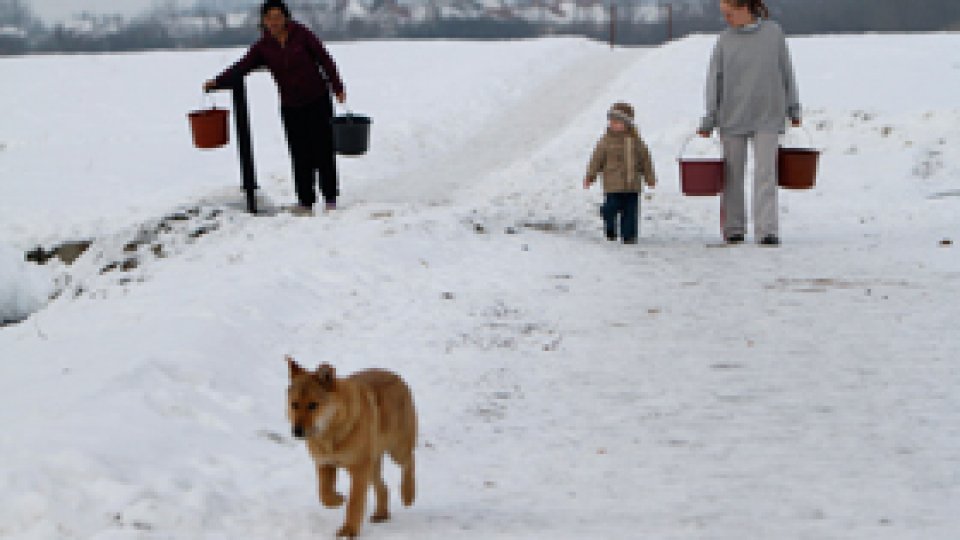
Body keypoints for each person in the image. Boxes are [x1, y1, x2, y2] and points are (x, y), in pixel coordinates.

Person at [204, 0, 346, 216]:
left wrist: (337, 87)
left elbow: (325, 59)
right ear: (263, 21)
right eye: (269, 17)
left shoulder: (302, 34)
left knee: (323, 149)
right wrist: (218, 81)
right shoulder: (263, 47)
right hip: (291, 105)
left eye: (278, 16)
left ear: (286, 18)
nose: (274, 22)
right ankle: (306, 202)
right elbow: (243, 66)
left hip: (317, 99)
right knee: (299, 153)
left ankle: (330, 199)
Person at [698, 0, 801, 246]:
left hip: (768, 114)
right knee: (733, 175)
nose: (726, 19)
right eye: (724, 14)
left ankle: (767, 230)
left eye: (729, 13)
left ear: (745, 8)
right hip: (732, 116)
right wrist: (709, 117)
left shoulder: (773, 33)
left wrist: (793, 107)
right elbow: (714, 80)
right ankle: (734, 228)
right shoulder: (724, 40)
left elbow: (787, 71)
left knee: (766, 173)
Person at [584, 102, 657, 244]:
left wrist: (649, 177)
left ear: (627, 123)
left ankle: (629, 235)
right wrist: (590, 176)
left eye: (617, 122)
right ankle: (609, 224)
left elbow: (645, 160)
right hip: (613, 184)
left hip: (632, 184)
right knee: (611, 208)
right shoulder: (605, 141)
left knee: (630, 212)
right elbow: (596, 159)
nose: (613, 125)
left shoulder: (636, 141)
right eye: (611, 121)